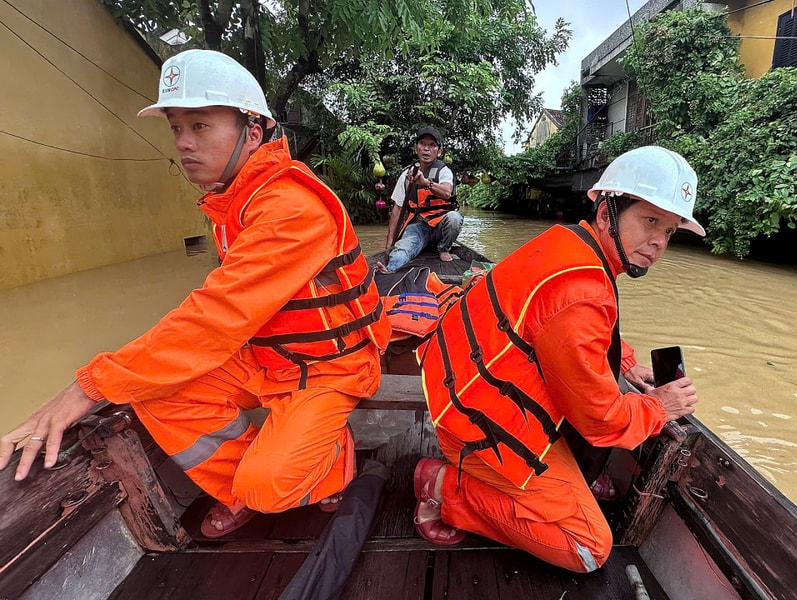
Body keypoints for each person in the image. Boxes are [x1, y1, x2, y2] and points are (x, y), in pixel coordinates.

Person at [0, 49, 390, 537]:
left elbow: (215, 317)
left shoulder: (289, 207)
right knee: (156, 393)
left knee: (268, 487)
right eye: (176, 128)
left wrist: (88, 386)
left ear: (252, 132)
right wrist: (112, 380)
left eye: (200, 126)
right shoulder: (234, 198)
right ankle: (243, 481)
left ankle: (329, 459)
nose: (183, 143)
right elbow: (218, 318)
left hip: (329, 363)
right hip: (267, 357)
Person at [410, 146, 703, 571]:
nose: (658, 242)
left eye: (670, 231)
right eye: (650, 221)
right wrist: (661, 406)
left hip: (458, 395)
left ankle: (555, 484)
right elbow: (601, 420)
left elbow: (574, 334)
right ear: (607, 214)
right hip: (478, 427)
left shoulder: (568, 241)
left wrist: (624, 364)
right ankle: (443, 487)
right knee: (587, 547)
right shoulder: (582, 291)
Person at [377, 126, 462, 272]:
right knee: (402, 249)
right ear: (416, 148)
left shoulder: (444, 171)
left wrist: (426, 183)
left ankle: (443, 249)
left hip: (442, 226)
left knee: (454, 218)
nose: (426, 149)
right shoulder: (406, 176)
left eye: (432, 145)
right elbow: (397, 209)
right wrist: (389, 243)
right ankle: (389, 270)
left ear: (439, 151)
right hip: (419, 226)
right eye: (422, 144)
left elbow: (447, 192)